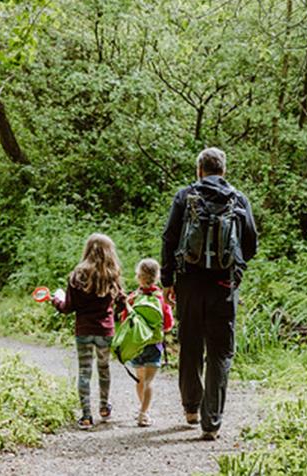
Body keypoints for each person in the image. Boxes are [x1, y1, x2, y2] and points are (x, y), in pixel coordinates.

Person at [161, 147, 258, 440]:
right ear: (224, 171)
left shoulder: (184, 196)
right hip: (224, 285)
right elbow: (251, 244)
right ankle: (211, 422)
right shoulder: (238, 199)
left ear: (199, 170)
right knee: (219, 351)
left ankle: (191, 408)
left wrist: (168, 280)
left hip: (189, 283)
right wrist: (232, 268)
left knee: (190, 343)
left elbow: (170, 237)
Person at [52, 233, 126, 429]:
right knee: (104, 369)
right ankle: (104, 407)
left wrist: (56, 300)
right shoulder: (112, 274)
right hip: (105, 331)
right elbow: (121, 301)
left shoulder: (77, 275)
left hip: (84, 330)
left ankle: (86, 416)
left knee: (84, 372)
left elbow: (68, 307)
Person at [121, 258, 175, 427]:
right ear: (157, 277)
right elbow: (168, 324)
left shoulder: (133, 298)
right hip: (154, 344)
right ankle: (144, 413)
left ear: (139, 277)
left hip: (137, 344)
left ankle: (142, 408)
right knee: (149, 381)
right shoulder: (160, 298)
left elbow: (125, 319)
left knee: (140, 379)